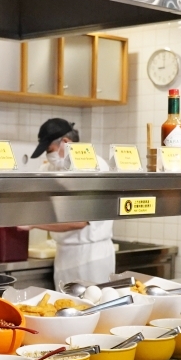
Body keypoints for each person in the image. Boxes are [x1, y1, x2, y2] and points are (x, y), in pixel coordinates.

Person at [28, 118, 116, 289]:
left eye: (49, 150)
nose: (49, 156)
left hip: (91, 257)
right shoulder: (50, 169)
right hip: (63, 254)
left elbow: (79, 221)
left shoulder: (93, 165)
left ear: (66, 143)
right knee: (65, 308)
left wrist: (33, 223)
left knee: (94, 308)